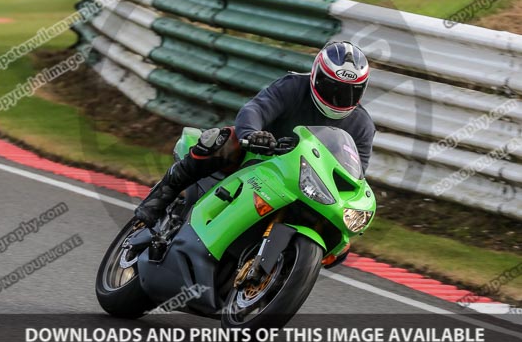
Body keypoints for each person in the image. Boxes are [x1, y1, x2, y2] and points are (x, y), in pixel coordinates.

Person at [135, 41, 375, 229]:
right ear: (315, 75)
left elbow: (356, 173)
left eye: (349, 92)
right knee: (224, 140)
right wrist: (253, 134)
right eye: (332, 87)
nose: (338, 98)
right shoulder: (293, 86)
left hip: (306, 182)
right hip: (260, 156)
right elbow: (256, 108)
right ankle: (161, 196)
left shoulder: (362, 125)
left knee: (341, 241)